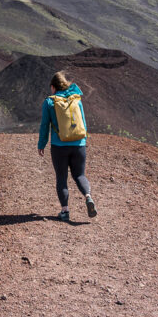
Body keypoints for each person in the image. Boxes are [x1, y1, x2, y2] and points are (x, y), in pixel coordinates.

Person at [37, 70, 96, 221]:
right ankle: (88, 197)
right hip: (79, 145)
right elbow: (83, 121)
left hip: (59, 146)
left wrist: (41, 144)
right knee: (80, 175)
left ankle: (65, 211)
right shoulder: (76, 99)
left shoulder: (50, 102)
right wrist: (82, 141)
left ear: (53, 87)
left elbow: (45, 126)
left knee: (62, 178)